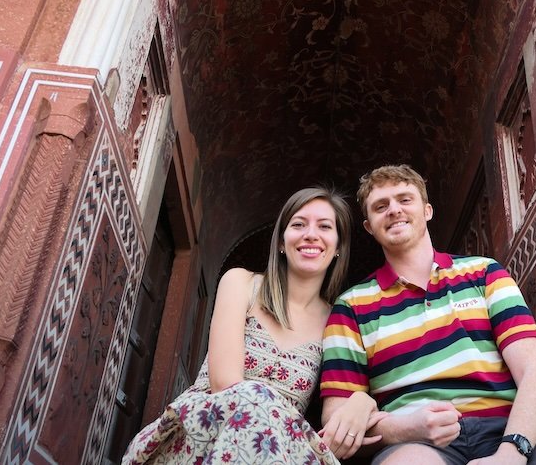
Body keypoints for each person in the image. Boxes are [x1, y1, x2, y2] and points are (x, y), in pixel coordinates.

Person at [320, 166, 536, 465]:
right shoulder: (351, 306)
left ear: (427, 210)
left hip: (513, 430)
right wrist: (405, 428)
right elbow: (337, 424)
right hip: (417, 445)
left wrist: (511, 454)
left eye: (405, 199)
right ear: (369, 226)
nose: (393, 210)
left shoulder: (484, 273)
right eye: (381, 206)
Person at [124, 187, 383, 464]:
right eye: (298, 224)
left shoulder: (338, 319)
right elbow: (225, 383)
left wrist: (363, 401)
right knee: (253, 396)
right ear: (282, 241)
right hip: (205, 431)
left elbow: (344, 395)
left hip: (282, 447)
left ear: (338, 247)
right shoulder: (242, 283)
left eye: (324, 226)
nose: (310, 234)